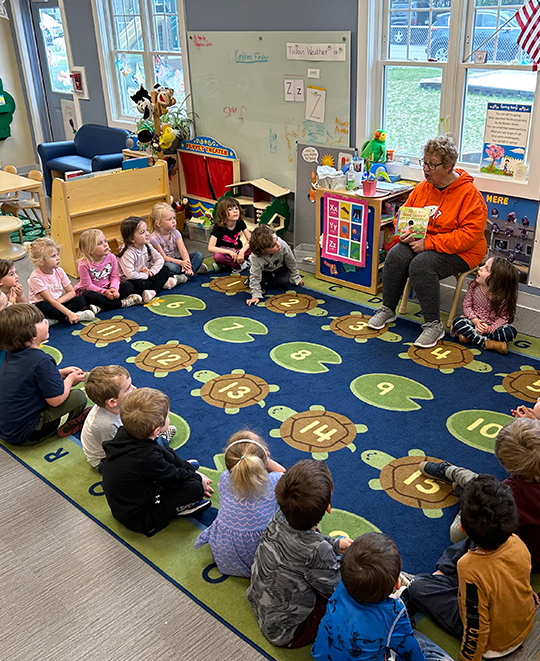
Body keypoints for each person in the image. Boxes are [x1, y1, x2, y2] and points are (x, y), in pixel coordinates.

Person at [368, 136, 487, 349]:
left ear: (449, 166)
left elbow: (470, 235)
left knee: (422, 264)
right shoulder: (424, 187)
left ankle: (433, 325)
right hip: (424, 243)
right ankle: (388, 309)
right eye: (424, 162)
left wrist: (429, 243)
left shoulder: (470, 194)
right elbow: (403, 215)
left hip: (463, 251)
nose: (426, 169)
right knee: (396, 254)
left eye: (432, 165)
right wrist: (403, 232)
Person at [407, 475, 537, 661]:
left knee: (417, 586)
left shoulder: (469, 567)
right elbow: (522, 576)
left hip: (495, 643)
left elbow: (476, 625)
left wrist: (469, 657)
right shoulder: (517, 542)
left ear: (461, 527)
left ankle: (440, 575)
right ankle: (443, 574)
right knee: (473, 547)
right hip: (523, 619)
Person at [247, 459, 352, 648]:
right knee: (351, 603)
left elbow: (306, 540)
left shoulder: (280, 515)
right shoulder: (318, 551)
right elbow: (336, 589)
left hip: (259, 602)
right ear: (328, 508)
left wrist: (334, 544)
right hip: (289, 631)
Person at [419, 417, 540, 570]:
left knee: (457, 533)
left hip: (525, 557)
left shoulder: (510, 492)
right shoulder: (511, 490)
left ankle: (459, 484)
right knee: (482, 487)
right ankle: (456, 476)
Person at [312, 532, 451, 661]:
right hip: (391, 624)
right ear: (396, 584)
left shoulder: (343, 582)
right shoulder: (394, 613)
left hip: (321, 655)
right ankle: (403, 591)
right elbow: (412, 655)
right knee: (433, 653)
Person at [102, 388, 214, 534]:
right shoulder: (146, 457)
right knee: (195, 489)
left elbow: (165, 454)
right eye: (167, 416)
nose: (169, 418)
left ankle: (186, 472)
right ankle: (177, 510)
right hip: (139, 516)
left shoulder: (127, 432)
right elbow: (172, 475)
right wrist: (197, 477)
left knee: (163, 449)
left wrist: (190, 470)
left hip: (136, 491)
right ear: (156, 430)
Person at [194, 429, 286, 577]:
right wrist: (267, 462)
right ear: (264, 458)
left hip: (225, 556)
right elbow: (286, 475)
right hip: (261, 558)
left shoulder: (225, 478)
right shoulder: (274, 481)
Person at [0, 304, 88, 445]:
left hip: (5, 429)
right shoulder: (41, 360)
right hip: (26, 434)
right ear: (32, 335)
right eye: (41, 320)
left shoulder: (10, 355)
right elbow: (56, 400)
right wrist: (70, 380)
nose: (46, 321)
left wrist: (58, 373)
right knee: (78, 397)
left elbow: (26, 376)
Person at [451, 257, 518, 355]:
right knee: (458, 323)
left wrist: (489, 329)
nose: (480, 268)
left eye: (486, 268)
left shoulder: (501, 297)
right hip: (474, 322)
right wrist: (476, 321)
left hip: (492, 326)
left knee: (510, 332)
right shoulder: (473, 286)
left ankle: (471, 338)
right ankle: (488, 343)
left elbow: (503, 317)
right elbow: (467, 305)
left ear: (496, 279)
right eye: (484, 265)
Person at [27, 237, 95, 324]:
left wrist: (59, 301)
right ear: (41, 261)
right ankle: (76, 316)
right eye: (53, 256)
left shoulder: (59, 270)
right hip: (45, 305)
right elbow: (50, 301)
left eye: (57, 254)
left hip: (58, 302)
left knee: (81, 300)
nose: (58, 258)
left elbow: (71, 292)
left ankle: (56, 320)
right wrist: (69, 313)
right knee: (42, 306)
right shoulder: (35, 278)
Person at [81, 365, 136, 472]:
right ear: (112, 402)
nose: (134, 388)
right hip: (104, 461)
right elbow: (118, 452)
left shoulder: (118, 406)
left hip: (119, 440)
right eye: (128, 388)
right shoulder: (106, 424)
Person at [75, 229, 142, 314]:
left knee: (128, 286)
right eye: (100, 243)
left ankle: (101, 306)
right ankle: (122, 303)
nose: (105, 244)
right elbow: (88, 285)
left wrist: (114, 288)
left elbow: (115, 277)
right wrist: (104, 292)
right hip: (95, 291)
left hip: (109, 288)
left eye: (105, 241)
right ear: (90, 250)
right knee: (88, 296)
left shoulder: (111, 257)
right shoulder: (83, 264)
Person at [117, 216, 175, 304]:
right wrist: (145, 275)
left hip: (145, 275)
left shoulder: (146, 245)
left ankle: (153, 291)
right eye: (142, 232)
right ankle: (160, 284)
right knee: (140, 285)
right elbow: (131, 275)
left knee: (165, 269)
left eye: (147, 230)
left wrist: (151, 272)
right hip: (132, 280)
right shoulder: (127, 253)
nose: (147, 234)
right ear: (132, 239)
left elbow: (160, 259)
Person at [246, 225, 303, 306]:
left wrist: (296, 277)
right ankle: (265, 278)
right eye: (273, 245)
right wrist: (256, 295)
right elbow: (255, 276)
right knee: (253, 282)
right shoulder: (255, 257)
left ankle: (269, 279)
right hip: (264, 271)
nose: (278, 244)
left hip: (279, 267)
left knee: (284, 282)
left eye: (277, 239)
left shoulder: (282, 245)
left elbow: (291, 262)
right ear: (263, 250)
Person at [149, 202, 207, 281]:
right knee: (170, 267)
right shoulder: (154, 238)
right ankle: (192, 271)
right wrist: (180, 263)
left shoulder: (175, 232)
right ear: (158, 223)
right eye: (169, 219)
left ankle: (185, 274)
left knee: (198, 255)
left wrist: (187, 264)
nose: (173, 221)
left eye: (174, 218)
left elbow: (183, 251)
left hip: (175, 260)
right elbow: (163, 258)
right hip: (163, 264)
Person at [208, 197, 251, 273]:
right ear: (223, 213)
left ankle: (229, 264)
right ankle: (242, 264)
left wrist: (242, 252)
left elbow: (251, 240)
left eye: (236, 208)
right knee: (218, 257)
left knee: (256, 248)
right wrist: (229, 252)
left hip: (238, 250)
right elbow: (211, 248)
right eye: (230, 210)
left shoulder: (240, 222)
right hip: (225, 253)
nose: (235, 211)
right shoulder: (218, 226)